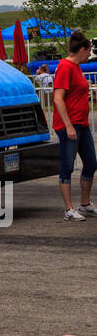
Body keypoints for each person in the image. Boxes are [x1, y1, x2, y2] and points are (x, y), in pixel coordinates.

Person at [52, 30, 97, 221]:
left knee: (91, 163)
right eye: (89, 52)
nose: (90, 55)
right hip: (69, 126)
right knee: (67, 166)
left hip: (82, 123)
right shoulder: (66, 67)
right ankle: (69, 209)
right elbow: (58, 98)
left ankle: (85, 204)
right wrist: (69, 126)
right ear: (83, 50)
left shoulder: (77, 67)